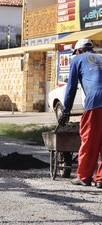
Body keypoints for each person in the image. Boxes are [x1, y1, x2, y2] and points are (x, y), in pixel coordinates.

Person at [58, 38, 102, 188]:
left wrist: (66, 111)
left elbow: (70, 88)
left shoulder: (77, 59)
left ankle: (84, 176)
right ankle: (101, 178)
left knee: (89, 139)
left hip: (96, 100)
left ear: (79, 50)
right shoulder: (101, 57)